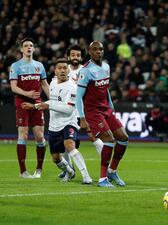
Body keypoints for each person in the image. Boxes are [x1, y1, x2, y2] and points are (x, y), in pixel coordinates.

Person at [22, 58, 92, 184]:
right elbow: (52, 102)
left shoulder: (73, 87)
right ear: (55, 71)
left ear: (68, 70)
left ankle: (86, 176)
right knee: (56, 158)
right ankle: (70, 171)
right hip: (54, 126)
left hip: (69, 122)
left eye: (65, 68)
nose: (63, 70)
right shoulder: (53, 83)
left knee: (69, 144)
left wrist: (48, 106)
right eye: (60, 68)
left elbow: (68, 110)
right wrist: (35, 106)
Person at [76, 41, 129, 188]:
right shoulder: (86, 70)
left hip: (106, 109)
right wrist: (82, 118)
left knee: (123, 138)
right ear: (90, 51)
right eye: (95, 49)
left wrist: (111, 106)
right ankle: (102, 179)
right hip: (93, 111)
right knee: (109, 139)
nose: (98, 52)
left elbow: (105, 89)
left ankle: (112, 171)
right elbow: (79, 96)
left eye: (100, 49)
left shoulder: (106, 67)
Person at [57, 45, 104, 179]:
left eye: (78, 55)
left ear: (81, 57)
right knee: (64, 142)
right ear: (68, 57)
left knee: (93, 137)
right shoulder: (64, 71)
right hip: (67, 112)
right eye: (73, 55)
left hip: (84, 110)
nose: (75, 57)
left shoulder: (87, 70)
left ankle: (106, 169)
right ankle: (69, 169)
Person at [9, 37, 50, 178]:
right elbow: (13, 87)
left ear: (34, 48)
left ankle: (39, 169)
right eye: (26, 45)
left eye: (31, 45)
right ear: (21, 49)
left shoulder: (39, 65)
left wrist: (53, 100)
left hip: (37, 104)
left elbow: (44, 84)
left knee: (39, 136)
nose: (28, 48)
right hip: (22, 103)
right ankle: (23, 171)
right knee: (23, 135)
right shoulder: (16, 66)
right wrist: (27, 93)